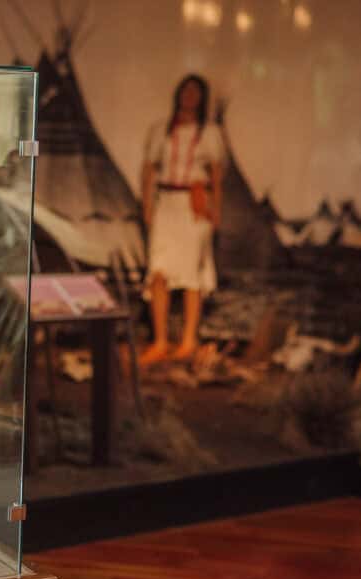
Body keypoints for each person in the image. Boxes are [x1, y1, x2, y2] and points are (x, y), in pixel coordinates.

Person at [139, 74, 225, 365]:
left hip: (195, 203)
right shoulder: (161, 129)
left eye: (195, 92)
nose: (189, 96)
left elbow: (215, 173)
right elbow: (149, 169)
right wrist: (147, 206)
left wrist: (217, 212)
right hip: (167, 203)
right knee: (159, 271)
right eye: (185, 90)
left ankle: (188, 340)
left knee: (191, 274)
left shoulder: (210, 132)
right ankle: (160, 340)